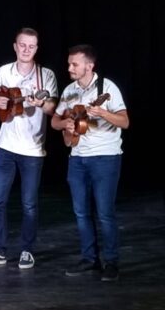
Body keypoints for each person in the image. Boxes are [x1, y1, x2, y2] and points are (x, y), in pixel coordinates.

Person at [0, 27, 58, 269]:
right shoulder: (4, 71)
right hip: (5, 146)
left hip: (33, 149)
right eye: (23, 45)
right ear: (15, 46)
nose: (26, 50)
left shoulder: (45, 76)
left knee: (29, 204)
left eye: (31, 46)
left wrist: (40, 103)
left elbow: (53, 108)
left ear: (36, 48)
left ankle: (27, 250)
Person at [51, 44, 129, 282]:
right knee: (81, 212)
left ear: (89, 66)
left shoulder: (107, 88)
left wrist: (103, 113)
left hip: (105, 158)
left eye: (74, 64)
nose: (69, 68)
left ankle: (111, 262)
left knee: (105, 213)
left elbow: (125, 122)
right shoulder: (69, 90)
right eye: (69, 63)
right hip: (77, 157)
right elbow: (55, 121)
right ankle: (89, 259)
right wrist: (65, 125)